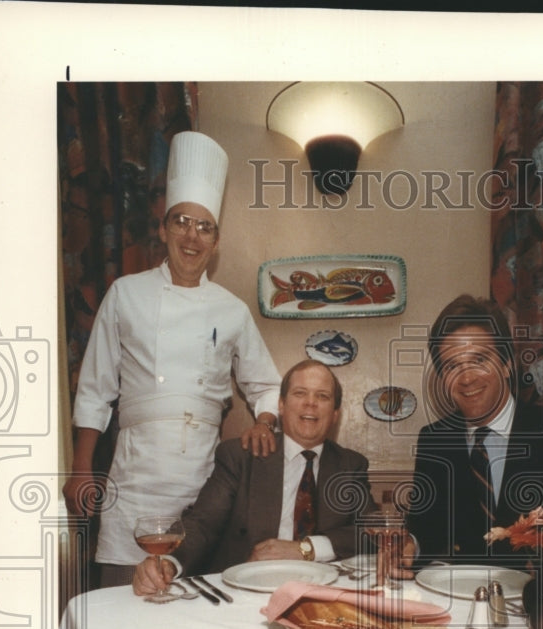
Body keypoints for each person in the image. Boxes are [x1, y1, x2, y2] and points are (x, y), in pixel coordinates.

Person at [63, 131, 281, 586]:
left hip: (202, 485)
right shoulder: (125, 293)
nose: (192, 236)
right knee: (123, 603)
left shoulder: (232, 309)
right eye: (182, 221)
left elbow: (266, 384)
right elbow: (96, 388)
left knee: (192, 603)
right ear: (163, 229)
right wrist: (81, 468)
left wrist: (264, 421)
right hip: (135, 478)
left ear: (216, 241)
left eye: (205, 227)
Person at [133, 360, 376, 595]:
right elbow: (203, 523)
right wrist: (169, 562)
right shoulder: (241, 456)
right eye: (300, 393)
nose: (310, 403)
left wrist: (305, 549)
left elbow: (371, 531)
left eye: (322, 396)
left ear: (335, 413)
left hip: (323, 589)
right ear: (281, 405)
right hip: (246, 591)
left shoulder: (349, 465)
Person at [399, 294, 543, 571]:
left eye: (479, 360)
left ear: (507, 363)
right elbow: (426, 531)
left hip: (542, 605)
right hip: (460, 602)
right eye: (451, 366)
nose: (467, 377)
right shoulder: (434, 440)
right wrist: (409, 545)